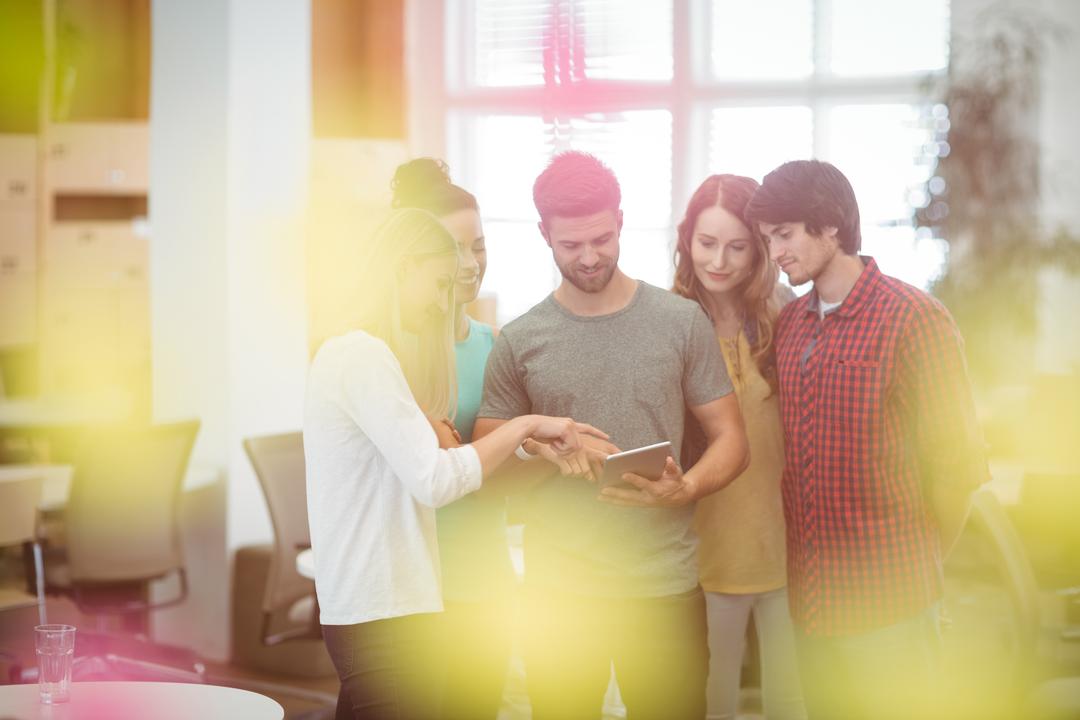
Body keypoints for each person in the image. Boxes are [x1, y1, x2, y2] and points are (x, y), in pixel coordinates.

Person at [474, 151, 750, 719]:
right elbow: (487, 470)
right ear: (544, 234)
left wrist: (687, 488)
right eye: (570, 245)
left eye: (601, 238)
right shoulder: (520, 340)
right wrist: (545, 453)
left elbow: (732, 440)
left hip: (664, 589)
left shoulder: (680, 322)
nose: (590, 256)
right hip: (558, 596)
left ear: (620, 221)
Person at [303, 207, 606, 720]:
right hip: (385, 613)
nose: (445, 303)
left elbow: (421, 461)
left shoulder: (356, 355)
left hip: (381, 607)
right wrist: (525, 425)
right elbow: (435, 480)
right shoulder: (361, 356)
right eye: (440, 283)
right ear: (403, 268)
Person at [744, 160, 989, 720]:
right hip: (812, 608)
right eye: (767, 239)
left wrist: (913, 572)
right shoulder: (794, 324)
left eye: (784, 235)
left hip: (892, 609)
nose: (775, 252)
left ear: (829, 227)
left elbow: (958, 473)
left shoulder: (915, 320)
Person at [673, 174, 806, 720]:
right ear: (687, 241)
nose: (720, 261)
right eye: (707, 244)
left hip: (786, 543)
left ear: (761, 248)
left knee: (793, 701)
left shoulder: (788, 313)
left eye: (737, 246)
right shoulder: (671, 321)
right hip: (704, 547)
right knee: (711, 699)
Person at [391, 157, 514, 719]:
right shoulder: (389, 353)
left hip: (484, 579)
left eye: (480, 246)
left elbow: (493, 464)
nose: (470, 265)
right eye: (455, 250)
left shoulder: (497, 345)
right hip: (413, 584)